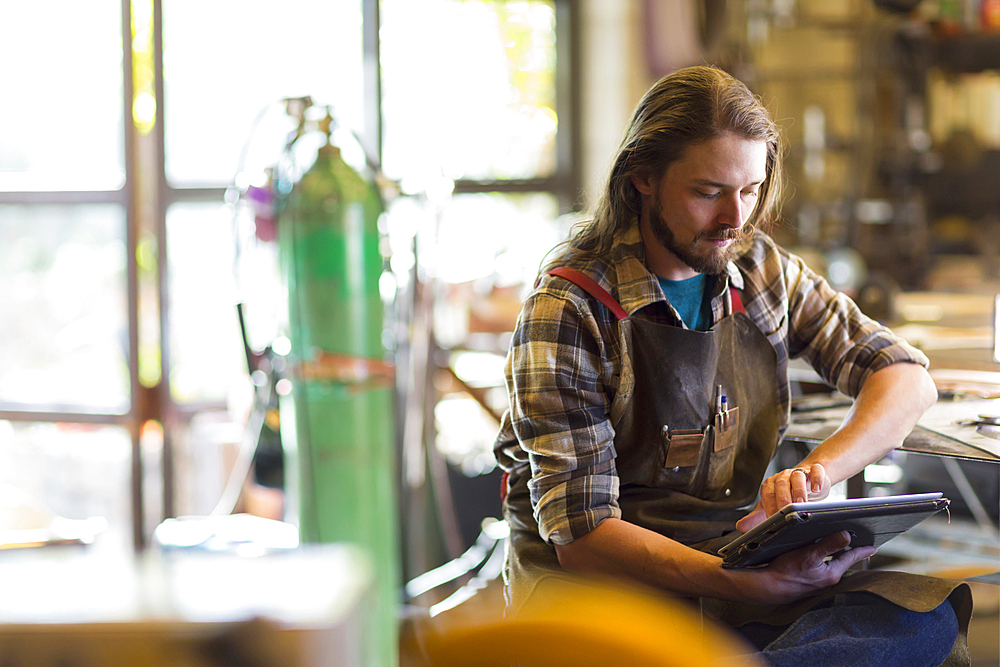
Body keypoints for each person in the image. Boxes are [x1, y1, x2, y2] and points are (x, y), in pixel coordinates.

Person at [493, 65, 971, 666]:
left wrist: (815, 475)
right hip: (601, 597)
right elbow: (583, 539)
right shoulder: (570, 309)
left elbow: (906, 378)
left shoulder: (762, 271)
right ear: (642, 177)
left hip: (732, 567)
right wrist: (737, 582)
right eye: (708, 191)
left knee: (925, 619)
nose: (735, 217)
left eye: (749, 189)